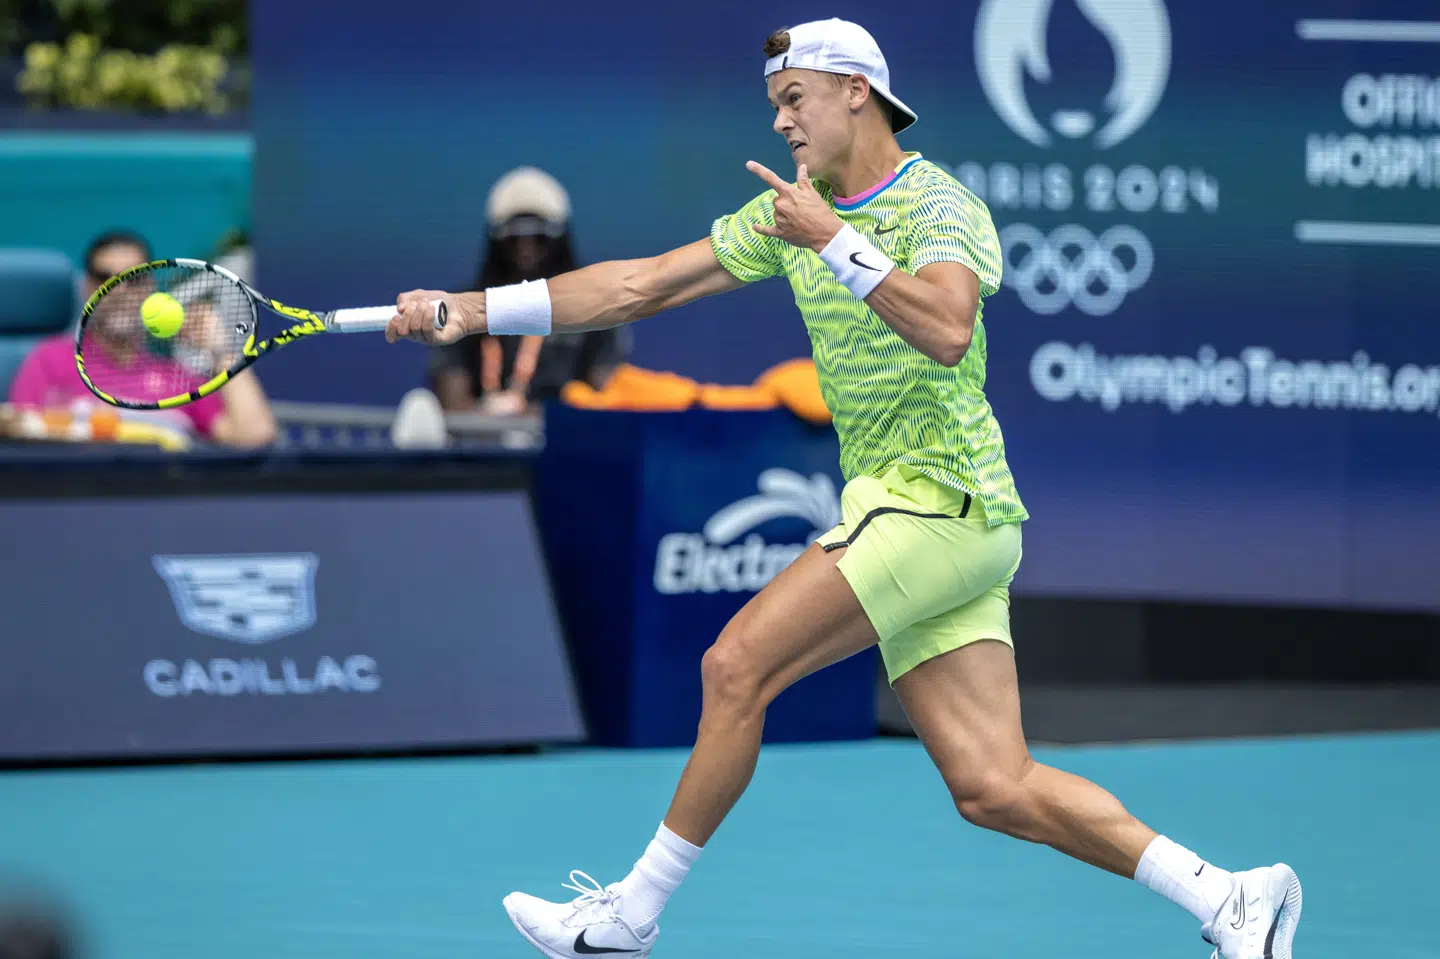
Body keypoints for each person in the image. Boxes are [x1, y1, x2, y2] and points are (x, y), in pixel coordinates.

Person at [385, 19, 1301, 959]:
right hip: (939, 517)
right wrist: (469, 311)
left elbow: (946, 328)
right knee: (994, 784)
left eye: (795, 101)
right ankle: (1228, 895)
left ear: (856, 92)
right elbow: (639, 287)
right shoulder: (790, 212)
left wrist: (833, 241)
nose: (782, 123)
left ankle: (630, 915)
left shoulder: (937, 205)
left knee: (734, 665)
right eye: (774, 107)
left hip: (939, 498)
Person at [8, 230, 277, 448]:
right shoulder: (48, 360)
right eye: (106, 278)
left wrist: (222, 353)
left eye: (134, 278)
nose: (121, 290)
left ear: (150, 289)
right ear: (87, 288)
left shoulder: (179, 378)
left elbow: (254, 435)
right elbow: (15, 432)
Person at [428, 167, 628, 415]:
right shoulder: (465, 310)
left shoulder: (595, 308)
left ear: (560, 241)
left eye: (539, 237)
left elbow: (607, 402)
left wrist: (527, 415)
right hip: (481, 445)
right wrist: (492, 421)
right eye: (513, 238)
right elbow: (452, 406)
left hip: (566, 442)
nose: (526, 249)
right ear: (496, 242)